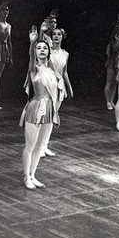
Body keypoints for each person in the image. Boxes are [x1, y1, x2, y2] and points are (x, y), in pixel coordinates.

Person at [19, 26, 61, 189]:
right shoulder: (34, 69)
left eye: (44, 48)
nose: (41, 50)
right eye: (39, 48)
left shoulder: (51, 70)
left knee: (40, 146)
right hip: (35, 108)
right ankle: (25, 177)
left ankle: (32, 175)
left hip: (49, 109)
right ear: (35, 52)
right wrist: (32, 43)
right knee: (30, 145)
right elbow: (30, 58)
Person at [40, 27, 73, 157]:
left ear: (62, 36)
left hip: (59, 86)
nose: (56, 36)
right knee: (45, 116)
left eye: (59, 34)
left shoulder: (65, 54)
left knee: (53, 116)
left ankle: (45, 145)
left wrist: (69, 87)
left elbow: (64, 72)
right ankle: (39, 147)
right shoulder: (48, 51)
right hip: (48, 85)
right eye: (54, 34)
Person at [105, 13, 119, 110]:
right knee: (109, 82)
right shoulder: (113, 37)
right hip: (112, 61)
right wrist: (118, 20)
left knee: (115, 83)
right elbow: (114, 33)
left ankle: (112, 101)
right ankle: (108, 101)